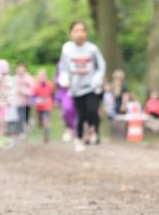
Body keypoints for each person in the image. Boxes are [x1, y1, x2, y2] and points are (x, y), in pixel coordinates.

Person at [58, 21, 106, 152]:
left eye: (82, 31)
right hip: (75, 88)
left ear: (86, 33)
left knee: (92, 110)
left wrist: (97, 81)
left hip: (90, 87)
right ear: (71, 33)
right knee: (80, 114)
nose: (79, 34)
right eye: (76, 31)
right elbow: (63, 67)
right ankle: (78, 138)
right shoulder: (67, 49)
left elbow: (101, 66)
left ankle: (93, 131)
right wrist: (64, 80)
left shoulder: (92, 49)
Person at [54, 62, 76, 141]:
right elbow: (57, 82)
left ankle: (73, 130)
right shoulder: (60, 65)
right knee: (66, 110)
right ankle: (68, 128)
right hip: (63, 93)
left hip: (74, 91)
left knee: (74, 111)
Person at [32, 68, 54, 143]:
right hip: (38, 107)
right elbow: (33, 96)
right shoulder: (36, 85)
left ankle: (46, 136)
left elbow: (52, 95)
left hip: (47, 106)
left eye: (43, 75)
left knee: (46, 121)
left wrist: (52, 101)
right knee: (40, 123)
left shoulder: (49, 84)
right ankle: (41, 125)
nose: (42, 77)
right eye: (40, 75)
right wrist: (36, 100)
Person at [14, 63, 35, 139]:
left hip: (27, 102)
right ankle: (21, 132)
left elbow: (33, 89)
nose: (20, 71)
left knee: (26, 117)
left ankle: (29, 124)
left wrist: (23, 91)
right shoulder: (15, 78)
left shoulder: (29, 78)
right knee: (20, 117)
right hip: (18, 102)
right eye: (19, 69)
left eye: (22, 69)